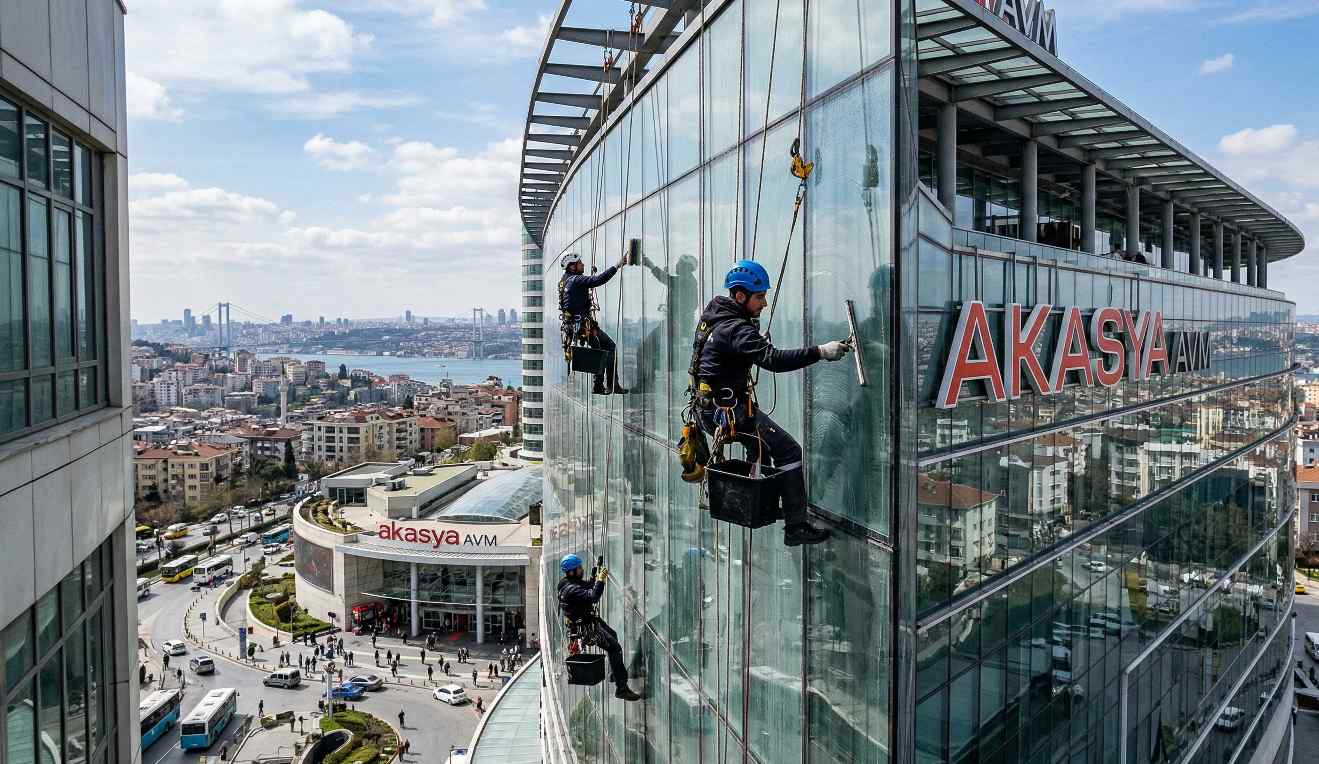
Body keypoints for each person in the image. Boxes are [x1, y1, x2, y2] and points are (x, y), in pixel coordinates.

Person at [691, 260, 851, 546]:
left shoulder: (715, 319)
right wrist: (820, 352)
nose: (764, 303)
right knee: (789, 451)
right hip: (729, 412)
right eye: (759, 297)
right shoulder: (735, 329)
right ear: (740, 297)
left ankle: (768, 503)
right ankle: (796, 526)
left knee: (761, 450)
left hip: (710, 409)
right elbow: (773, 360)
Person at [557, 554, 640, 701]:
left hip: (589, 620)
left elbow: (586, 587)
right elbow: (593, 596)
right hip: (588, 627)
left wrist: (594, 577)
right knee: (614, 648)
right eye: (579, 568)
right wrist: (600, 580)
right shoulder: (571, 589)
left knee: (613, 635)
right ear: (571, 571)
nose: (581, 569)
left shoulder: (566, 583)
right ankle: (622, 688)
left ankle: (615, 672)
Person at [558, 251, 629, 395]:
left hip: (576, 325)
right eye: (579, 263)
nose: (583, 264)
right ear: (572, 267)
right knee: (609, 346)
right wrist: (618, 265)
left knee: (600, 349)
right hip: (582, 325)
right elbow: (597, 280)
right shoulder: (575, 280)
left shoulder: (564, 280)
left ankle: (601, 385)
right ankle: (608, 384)